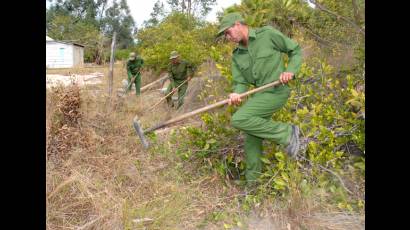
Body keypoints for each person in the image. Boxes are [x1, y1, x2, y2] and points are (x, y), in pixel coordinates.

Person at [216, 12, 303, 184]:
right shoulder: (237, 55)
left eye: (228, 32)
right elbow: (240, 82)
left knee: (239, 119)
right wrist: (236, 93)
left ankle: (287, 133)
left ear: (238, 24)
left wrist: (290, 70)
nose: (228, 37)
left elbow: (295, 50)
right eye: (225, 35)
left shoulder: (268, 34)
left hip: (277, 90)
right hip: (259, 95)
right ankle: (253, 183)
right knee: (251, 139)